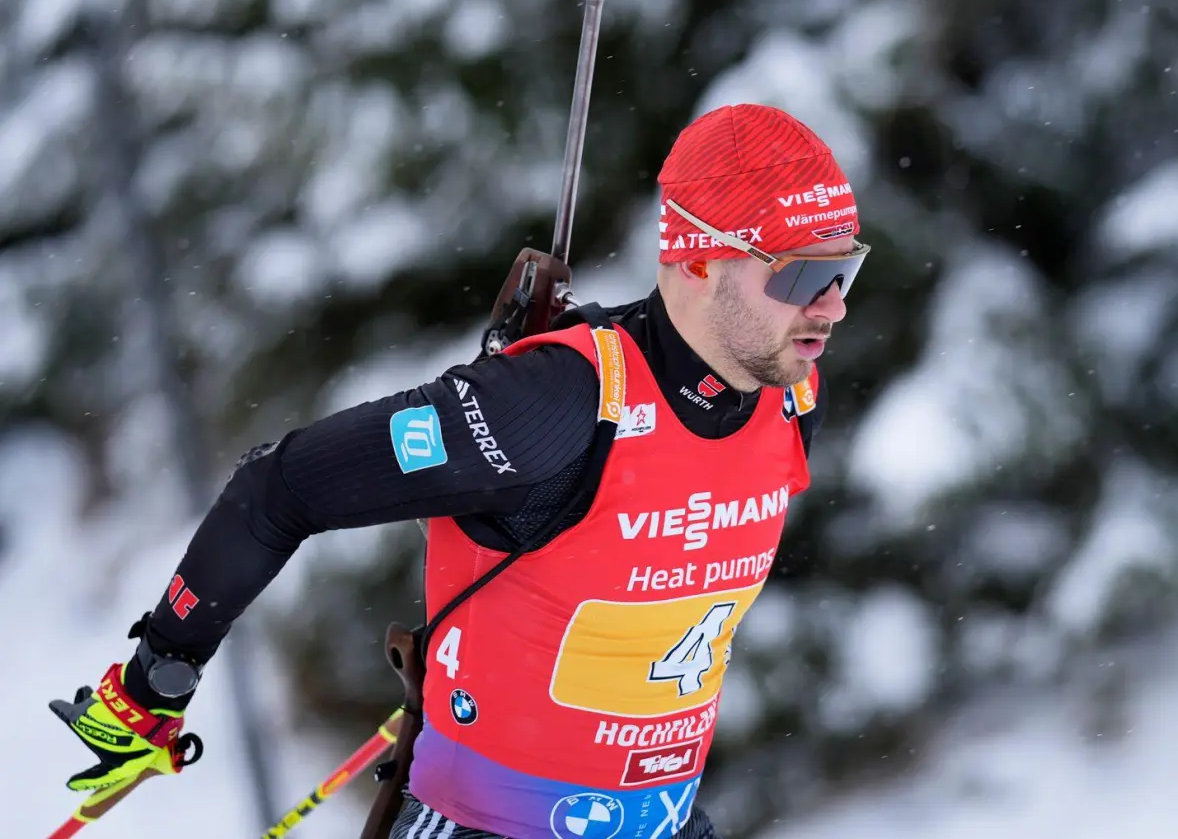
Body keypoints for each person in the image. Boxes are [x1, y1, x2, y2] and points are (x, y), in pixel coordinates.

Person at [49, 103, 869, 839]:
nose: (830, 306)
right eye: (801, 274)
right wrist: (158, 675)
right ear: (698, 260)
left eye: (844, 271)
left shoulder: (790, 398)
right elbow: (281, 485)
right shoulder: (557, 402)